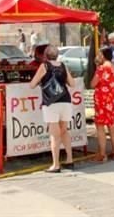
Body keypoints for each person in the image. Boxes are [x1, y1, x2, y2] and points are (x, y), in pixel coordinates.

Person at [30, 44, 75, 172]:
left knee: (54, 135)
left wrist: (42, 82)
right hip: (65, 100)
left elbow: (32, 84)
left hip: (51, 103)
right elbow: (72, 83)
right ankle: (69, 160)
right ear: (57, 55)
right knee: (64, 131)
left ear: (45, 55)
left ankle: (56, 164)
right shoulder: (63, 66)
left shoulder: (44, 66)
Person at [91, 46, 114, 162]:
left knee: (100, 126)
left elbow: (93, 83)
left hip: (102, 100)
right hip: (112, 99)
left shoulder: (102, 68)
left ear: (102, 55)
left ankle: (103, 154)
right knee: (112, 126)